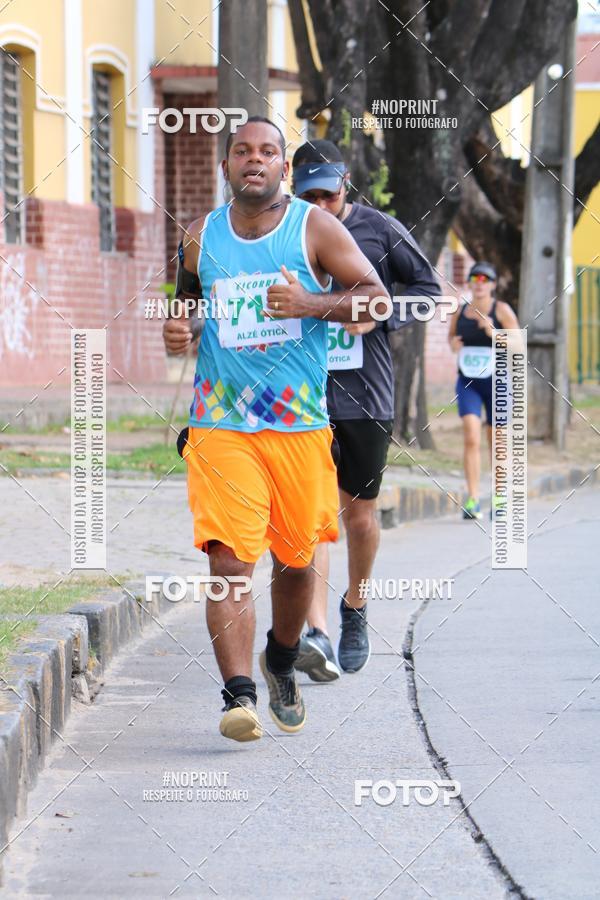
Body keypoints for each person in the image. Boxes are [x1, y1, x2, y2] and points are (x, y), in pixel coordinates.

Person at [163, 118, 387, 742]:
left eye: (267, 152)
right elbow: (186, 305)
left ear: (283, 167)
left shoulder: (314, 227)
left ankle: (282, 657)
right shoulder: (201, 235)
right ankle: (238, 697)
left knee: (294, 563)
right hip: (221, 426)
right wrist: (179, 331)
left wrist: (312, 304)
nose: (253, 160)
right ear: (226, 164)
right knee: (230, 565)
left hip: (299, 429)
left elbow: (376, 299)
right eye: (242, 151)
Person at [291, 140, 440, 681]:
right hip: (300, 394)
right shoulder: (283, 233)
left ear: (344, 185)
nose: (320, 206)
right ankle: (317, 633)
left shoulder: (381, 229)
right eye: (308, 196)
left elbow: (429, 292)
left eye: (328, 196)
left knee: (358, 516)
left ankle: (354, 607)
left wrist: (379, 317)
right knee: (312, 516)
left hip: (365, 395)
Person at [448, 261, 521, 519]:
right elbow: (451, 337)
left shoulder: (500, 310)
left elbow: (517, 343)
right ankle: (473, 499)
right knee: (471, 436)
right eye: (474, 278)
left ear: (492, 284)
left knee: (497, 441)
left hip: (497, 381)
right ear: (469, 283)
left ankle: (500, 498)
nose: (479, 283)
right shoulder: (461, 311)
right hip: (468, 381)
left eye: (485, 279)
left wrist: (494, 334)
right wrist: (454, 345)